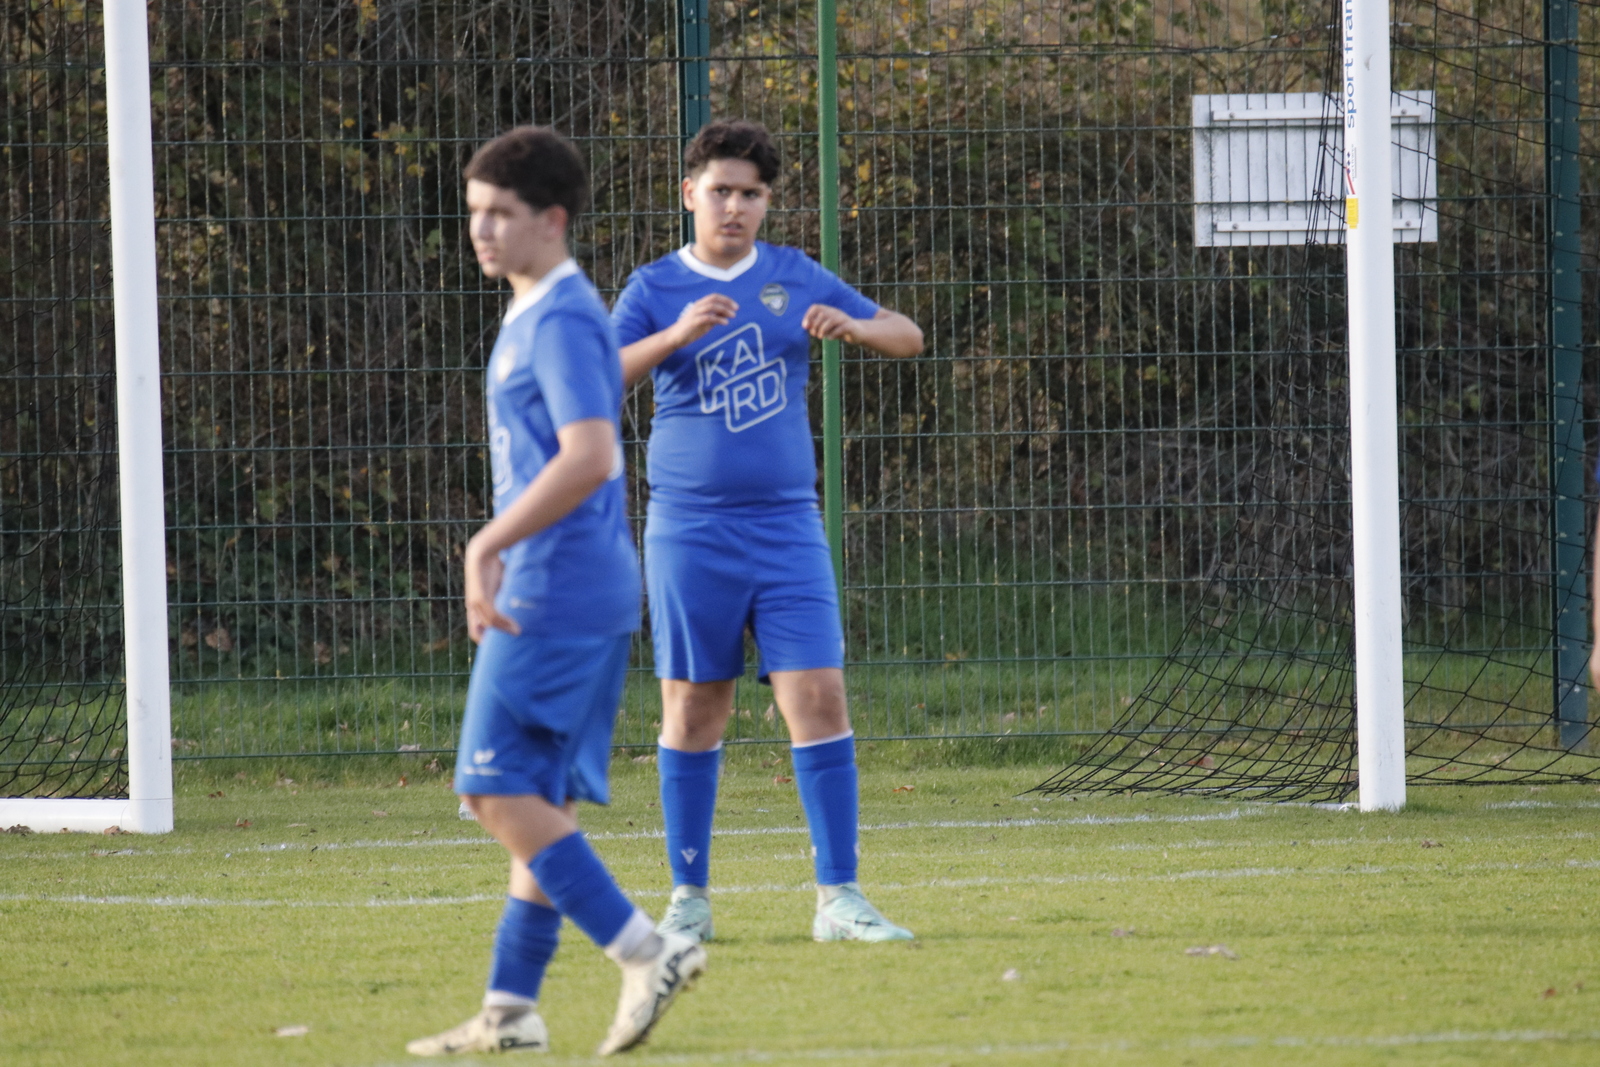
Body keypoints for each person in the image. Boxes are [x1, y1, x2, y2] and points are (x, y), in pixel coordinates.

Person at [406, 126, 705, 1058]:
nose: (481, 230)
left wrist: (488, 541)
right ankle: (511, 1012)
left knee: (490, 787)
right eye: (474, 212)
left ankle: (648, 950)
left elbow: (590, 454)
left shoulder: (568, 316)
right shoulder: (532, 306)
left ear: (553, 219)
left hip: (559, 586)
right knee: (538, 798)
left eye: (501, 213)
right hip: (563, 581)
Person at [611, 119, 924, 944]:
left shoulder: (794, 274)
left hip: (788, 527)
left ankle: (839, 898)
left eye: (751, 194)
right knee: (694, 708)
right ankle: (689, 899)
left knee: (818, 695)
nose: (735, 207)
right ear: (690, 193)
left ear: (766, 202)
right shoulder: (654, 287)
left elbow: (908, 334)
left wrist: (855, 327)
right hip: (690, 530)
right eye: (720, 190)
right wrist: (673, 336)